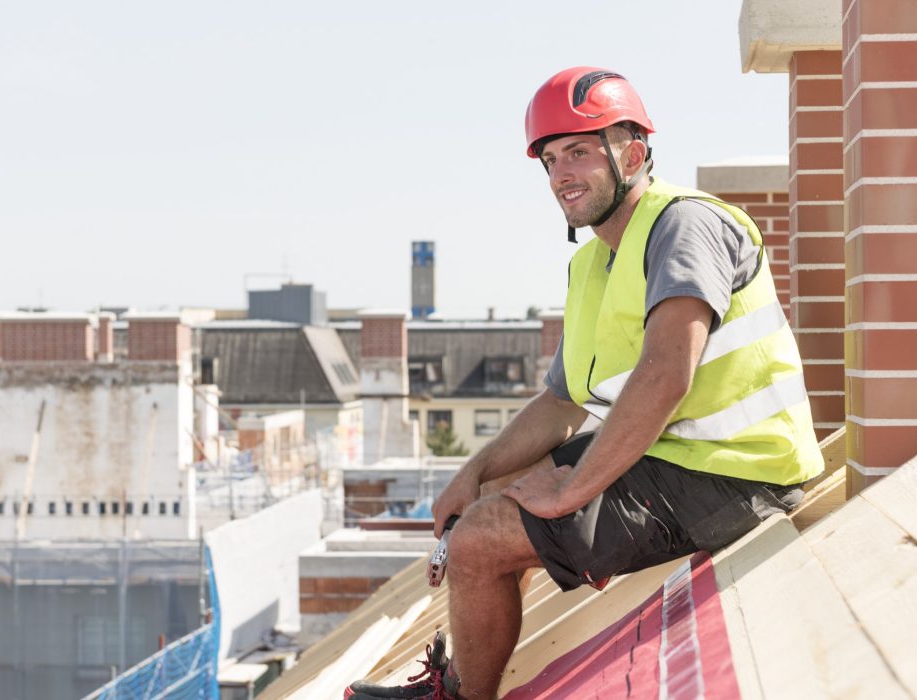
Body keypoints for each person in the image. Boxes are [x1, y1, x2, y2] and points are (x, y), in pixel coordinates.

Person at [347, 66, 822, 700]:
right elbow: (562, 402)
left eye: (579, 151)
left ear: (633, 152)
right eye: (549, 159)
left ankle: (460, 698)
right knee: (488, 494)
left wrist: (572, 488)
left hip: (738, 477)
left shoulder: (683, 225)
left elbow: (665, 375)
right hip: (677, 462)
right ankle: (463, 666)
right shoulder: (592, 262)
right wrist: (473, 471)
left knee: (479, 542)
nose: (562, 173)